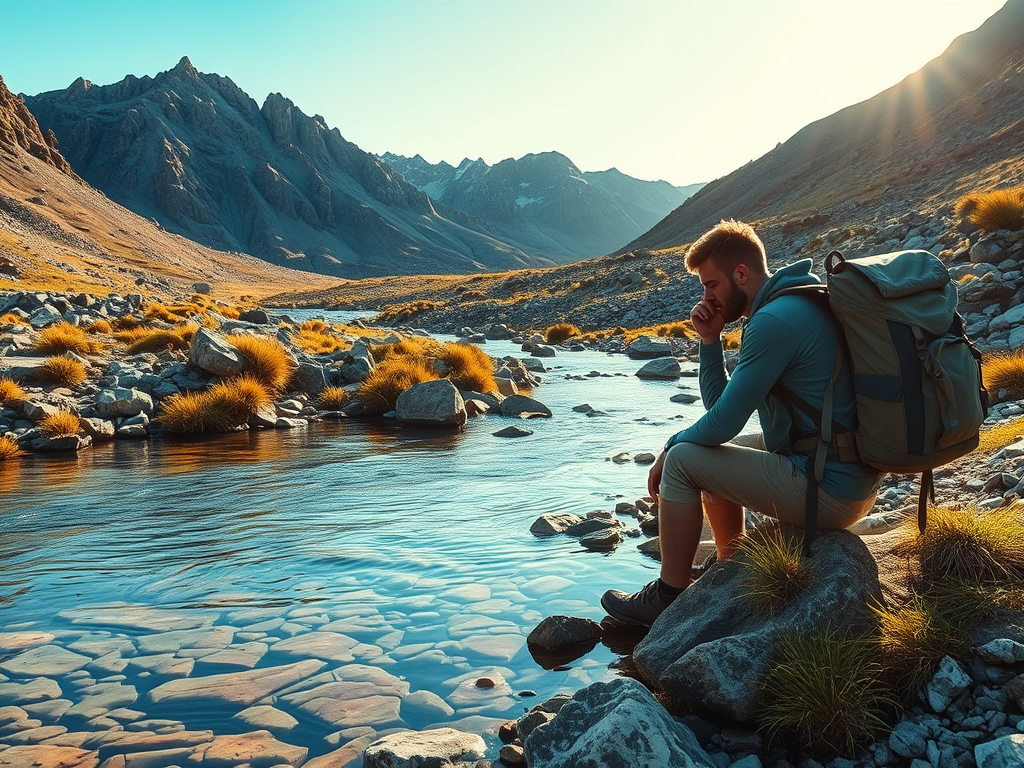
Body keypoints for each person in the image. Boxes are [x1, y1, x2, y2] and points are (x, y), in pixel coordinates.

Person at [601, 219, 882, 627]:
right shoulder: (794, 302)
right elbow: (721, 410)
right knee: (700, 452)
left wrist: (669, 447)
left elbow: (722, 424)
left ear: (741, 274)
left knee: (682, 459)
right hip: (845, 472)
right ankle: (729, 564)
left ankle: (668, 595)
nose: (707, 296)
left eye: (711, 284)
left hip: (829, 492)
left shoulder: (774, 322)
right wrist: (710, 343)